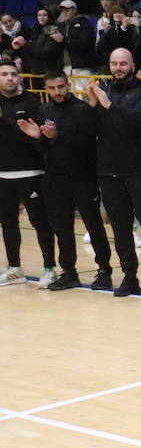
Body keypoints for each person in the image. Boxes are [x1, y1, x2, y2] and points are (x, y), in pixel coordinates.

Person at [88, 47, 141, 297]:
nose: (118, 68)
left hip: (139, 170)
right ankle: (130, 276)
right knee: (120, 227)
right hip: (108, 170)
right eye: (114, 63)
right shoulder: (103, 92)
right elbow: (89, 129)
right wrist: (93, 107)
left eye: (123, 63)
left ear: (133, 65)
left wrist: (108, 105)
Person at [17, 69, 112, 290]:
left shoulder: (83, 110)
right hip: (55, 179)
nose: (57, 92)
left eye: (61, 86)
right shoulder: (43, 110)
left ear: (68, 85)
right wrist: (38, 138)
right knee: (62, 228)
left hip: (83, 178)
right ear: (46, 89)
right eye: (52, 88)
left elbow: (88, 145)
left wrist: (57, 136)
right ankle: (69, 271)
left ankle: (104, 270)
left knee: (94, 225)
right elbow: (43, 148)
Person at [0, 57, 56, 286]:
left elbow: (31, 138)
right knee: (8, 223)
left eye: (13, 74)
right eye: (4, 74)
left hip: (30, 173)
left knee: (40, 222)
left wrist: (4, 121)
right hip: (3, 175)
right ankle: (14, 268)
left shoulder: (32, 103)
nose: (10, 78)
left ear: (19, 77)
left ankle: (49, 268)